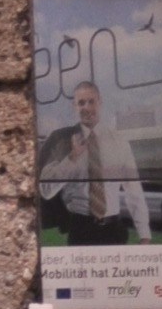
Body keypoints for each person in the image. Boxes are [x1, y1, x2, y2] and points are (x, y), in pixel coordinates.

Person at [37, 80, 151, 239]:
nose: (87, 108)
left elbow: (134, 190)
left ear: (100, 102)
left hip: (114, 230)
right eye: (81, 103)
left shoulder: (119, 141)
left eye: (91, 101)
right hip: (79, 229)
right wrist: (71, 158)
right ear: (74, 106)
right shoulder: (62, 141)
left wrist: (144, 235)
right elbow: (46, 191)